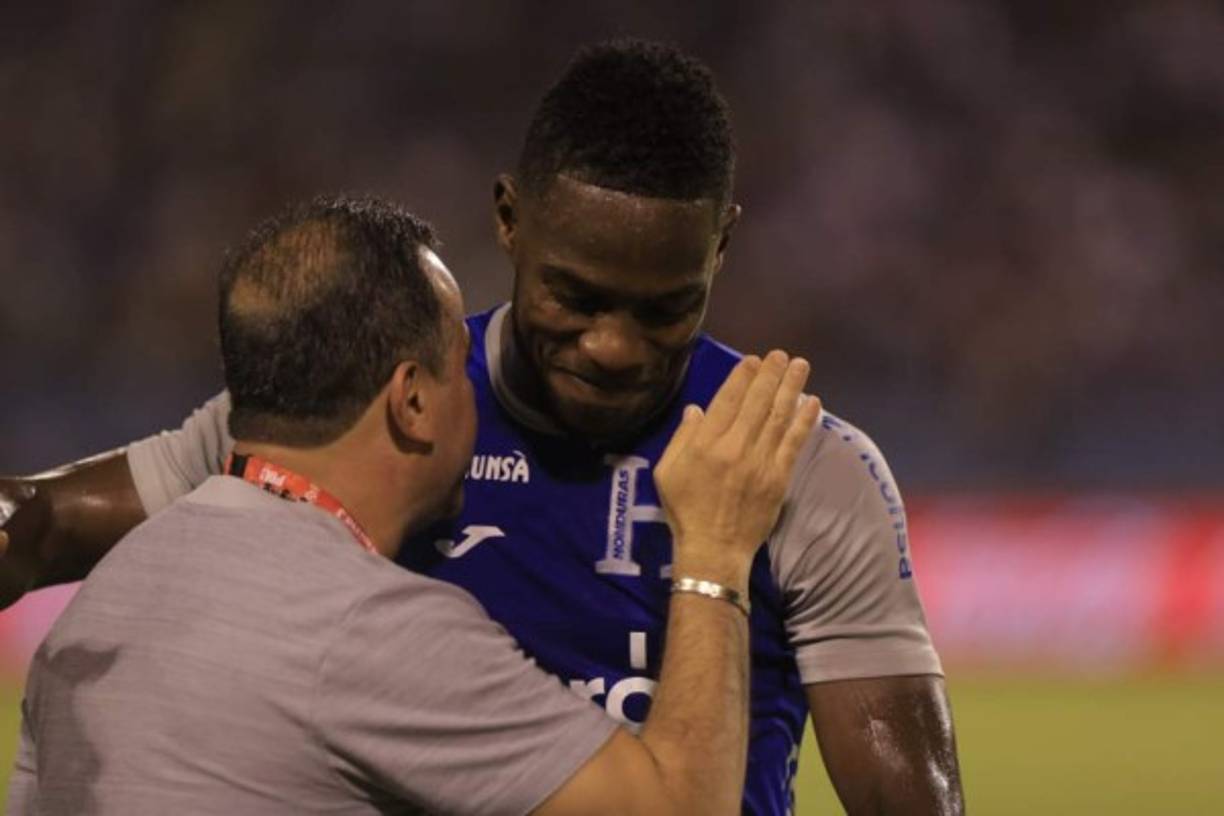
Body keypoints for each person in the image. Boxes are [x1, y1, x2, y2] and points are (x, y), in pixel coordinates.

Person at [0, 40, 965, 814]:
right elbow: (37, 524)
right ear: (510, 220)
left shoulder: (796, 467)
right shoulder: (364, 407)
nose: (615, 347)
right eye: (575, 297)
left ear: (722, 246)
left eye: (665, 307)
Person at [7, 194, 820, 814]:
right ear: (413, 403)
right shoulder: (372, 630)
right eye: (459, 367)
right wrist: (714, 549)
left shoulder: (107, 596)